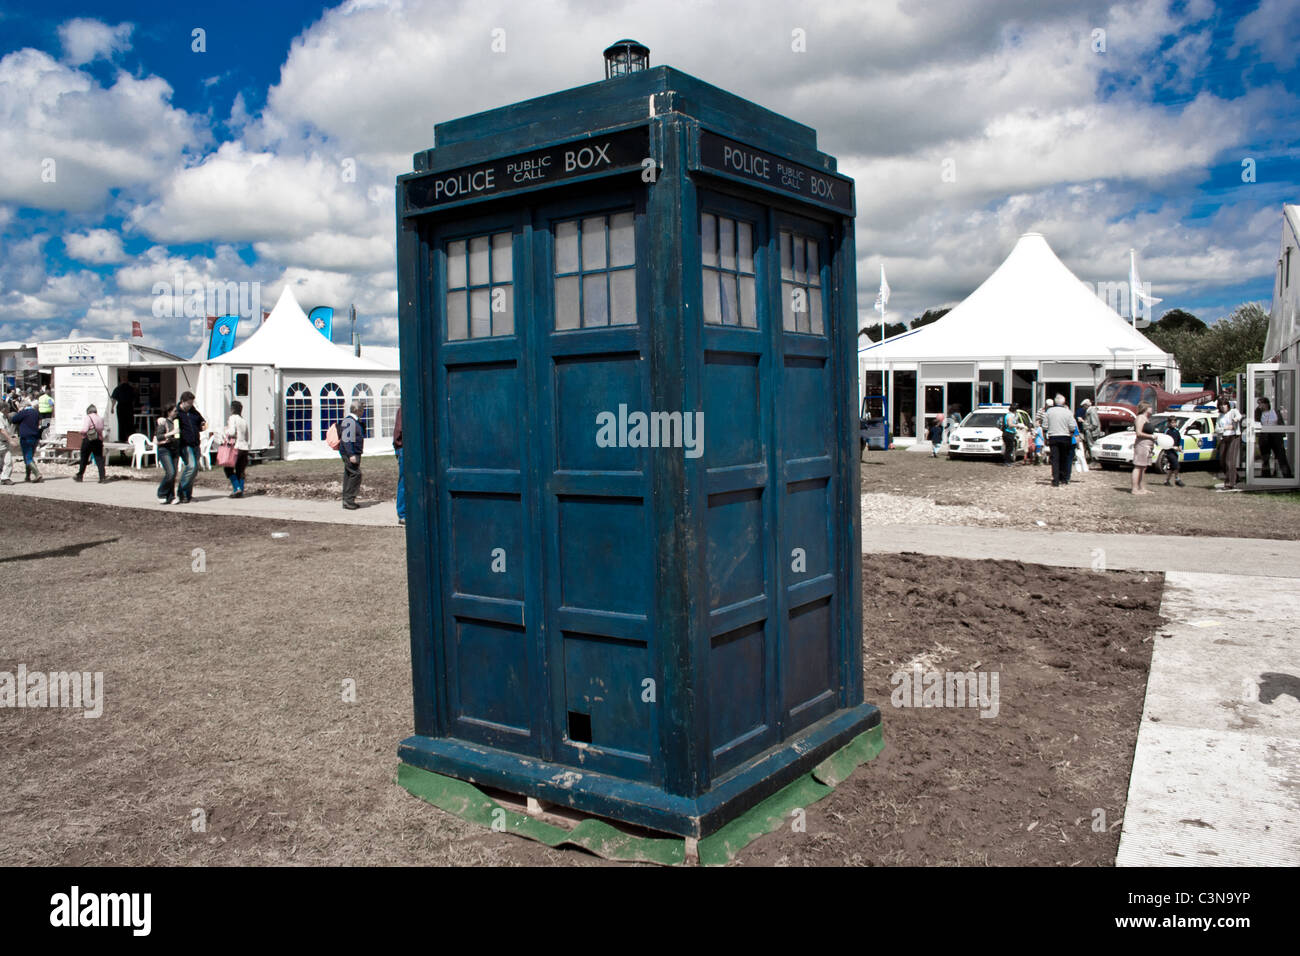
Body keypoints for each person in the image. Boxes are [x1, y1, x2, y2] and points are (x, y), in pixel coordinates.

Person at [174, 391, 207, 504]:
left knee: (194, 471)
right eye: (189, 403)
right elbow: (167, 419)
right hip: (185, 444)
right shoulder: (177, 412)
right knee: (191, 466)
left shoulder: (194, 412)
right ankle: (181, 492)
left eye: (192, 402)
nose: (191, 405)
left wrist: (203, 424)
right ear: (182, 402)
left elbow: (201, 421)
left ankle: (188, 495)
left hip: (195, 444)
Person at [1257, 397, 1293, 479]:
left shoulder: (1275, 412)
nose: (1259, 406)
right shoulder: (1259, 413)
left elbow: (1281, 423)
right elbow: (1256, 422)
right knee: (1265, 457)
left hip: (1276, 436)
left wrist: (1283, 435)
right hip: (1264, 436)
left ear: (1266, 404)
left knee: (1281, 456)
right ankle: (1266, 475)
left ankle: (1287, 475)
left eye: (1260, 404)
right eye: (1258, 404)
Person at [1044, 394, 1075, 487]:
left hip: (1053, 436)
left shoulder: (1049, 411)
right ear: (1064, 402)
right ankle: (1064, 478)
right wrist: (1070, 433)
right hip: (1065, 437)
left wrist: (1046, 437)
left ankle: (1056, 480)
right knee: (1064, 458)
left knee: (1055, 459)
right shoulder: (1068, 412)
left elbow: (1045, 426)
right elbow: (1072, 427)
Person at [73, 404, 108, 483]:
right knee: (99, 458)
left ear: (88, 411)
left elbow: (85, 429)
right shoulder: (100, 418)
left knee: (84, 458)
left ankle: (80, 475)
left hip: (88, 440)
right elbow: (101, 429)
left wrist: (81, 432)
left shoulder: (88, 417)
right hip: (98, 440)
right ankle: (102, 477)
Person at [10, 399, 43, 482]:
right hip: (35, 436)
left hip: (26, 437)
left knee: (27, 457)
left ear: (23, 406)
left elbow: (14, 420)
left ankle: (37, 474)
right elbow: (42, 422)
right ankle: (27, 476)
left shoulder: (23, 412)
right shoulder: (36, 412)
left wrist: (19, 411)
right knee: (30, 456)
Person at [223, 400, 250, 498]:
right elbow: (247, 435)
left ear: (232, 409)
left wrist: (225, 429)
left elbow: (232, 432)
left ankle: (237, 488)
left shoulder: (232, 418)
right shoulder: (243, 420)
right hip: (245, 447)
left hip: (236, 447)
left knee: (228, 468)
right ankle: (241, 490)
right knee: (241, 470)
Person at [339, 401, 364, 510]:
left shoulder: (353, 421)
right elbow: (346, 439)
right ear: (357, 410)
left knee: (349, 474)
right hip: (351, 453)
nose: (363, 411)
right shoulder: (349, 421)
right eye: (362, 409)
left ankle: (347, 500)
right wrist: (351, 454)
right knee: (356, 474)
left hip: (353, 452)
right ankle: (349, 500)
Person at [1215, 397, 1243, 490]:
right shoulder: (1220, 416)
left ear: (1228, 405)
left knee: (1229, 460)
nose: (1223, 407)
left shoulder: (1233, 411)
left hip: (1234, 437)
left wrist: (1235, 420)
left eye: (1224, 405)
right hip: (1224, 437)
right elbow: (1217, 429)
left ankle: (1230, 483)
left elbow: (1239, 416)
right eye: (1221, 405)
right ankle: (1236, 477)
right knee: (1222, 461)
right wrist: (1225, 428)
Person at [155, 403, 180, 504]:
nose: (176, 413)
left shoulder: (177, 421)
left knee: (173, 474)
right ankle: (161, 492)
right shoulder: (164, 422)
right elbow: (159, 437)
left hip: (175, 449)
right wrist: (172, 433)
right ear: (169, 412)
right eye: (175, 411)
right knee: (170, 472)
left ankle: (171, 496)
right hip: (165, 449)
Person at [1130, 402, 1157, 495]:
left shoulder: (1147, 418)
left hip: (1148, 445)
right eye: (1150, 406)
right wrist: (1151, 437)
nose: (1151, 408)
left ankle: (1142, 488)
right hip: (1141, 444)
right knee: (1138, 466)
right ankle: (1134, 489)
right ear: (1145, 408)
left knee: (1143, 467)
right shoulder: (1140, 417)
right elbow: (1138, 433)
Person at [109, 374, 137, 443]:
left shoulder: (118, 388)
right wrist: (133, 407)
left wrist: (112, 408)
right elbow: (134, 399)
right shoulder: (131, 388)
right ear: (126, 380)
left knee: (121, 423)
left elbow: (114, 400)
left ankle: (122, 439)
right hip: (128, 407)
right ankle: (132, 438)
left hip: (121, 407)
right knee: (130, 423)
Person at [1162, 418, 1185, 487]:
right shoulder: (1167, 431)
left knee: (1172, 467)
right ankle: (1177, 479)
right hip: (1169, 452)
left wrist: (1180, 446)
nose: (1174, 424)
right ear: (1168, 423)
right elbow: (1165, 442)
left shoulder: (1177, 431)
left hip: (1175, 452)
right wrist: (1173, 447)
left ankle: (1167, 481)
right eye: (1172, 423)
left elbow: (1179, 440)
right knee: (1176, 465)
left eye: (1175, 422)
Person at [393, 405, 406, 525]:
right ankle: (402, 513)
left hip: (403, 448)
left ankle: (403, 513)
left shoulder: (403, 409)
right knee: (404, 481)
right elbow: (399, 432)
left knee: (404, 481)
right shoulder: (404, 409)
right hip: (405, 449)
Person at [0, 412, 17, 486]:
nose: (9, 410)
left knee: (8, 460)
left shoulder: (5, 417)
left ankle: (5, 478)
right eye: (8, 408)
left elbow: (7, 429)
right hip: (1, 442)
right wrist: (10, 440)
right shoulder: (0, 417)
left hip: (5, 443)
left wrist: (11, 437)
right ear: (3, 408)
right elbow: (2, 430)